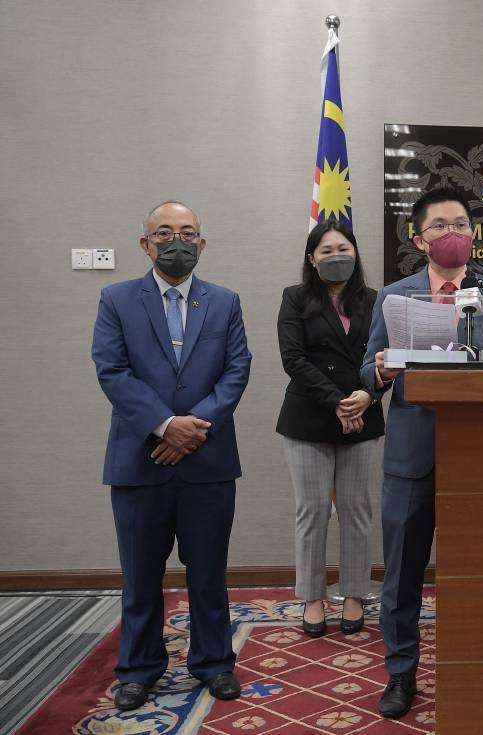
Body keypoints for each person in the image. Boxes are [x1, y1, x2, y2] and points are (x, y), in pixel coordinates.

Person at [92, 201, 252, 711]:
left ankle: (213, 663)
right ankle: (138, 669)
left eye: (188, 233)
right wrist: (165, 426)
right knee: (141, 576)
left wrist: (192, 429)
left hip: (208, 462)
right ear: (145, 244)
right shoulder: (116, 298)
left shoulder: (225, 302)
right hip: (141, 461)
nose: (176, 241)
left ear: (202, 244)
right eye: (164, 233)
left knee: (209, 572)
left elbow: (237, 369)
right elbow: (111, 370)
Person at [361, 186, 483, 719]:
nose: (453, 233)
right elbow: (366, 370)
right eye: (440, 226)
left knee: (480, 572)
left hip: (479, 457)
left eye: (461, 223)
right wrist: (377, 371)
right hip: (411, 456)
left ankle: (477, 665)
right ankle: (401, 672)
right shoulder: (395, 295)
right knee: (402, 575)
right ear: (420, 240)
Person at [276, 221, 384, 639]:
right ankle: (313, 598)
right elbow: (293, 358)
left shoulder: (374, 300)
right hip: (309, 417)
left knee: (356, 509)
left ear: (355, 253)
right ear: (311, 258)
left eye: (343, 247)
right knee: (313, 510)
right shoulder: (295, 298)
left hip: (362, 412)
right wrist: (338, 401)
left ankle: (355, 593)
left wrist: (366, 396)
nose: (335, 255)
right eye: (326, 250)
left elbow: (384, 354)